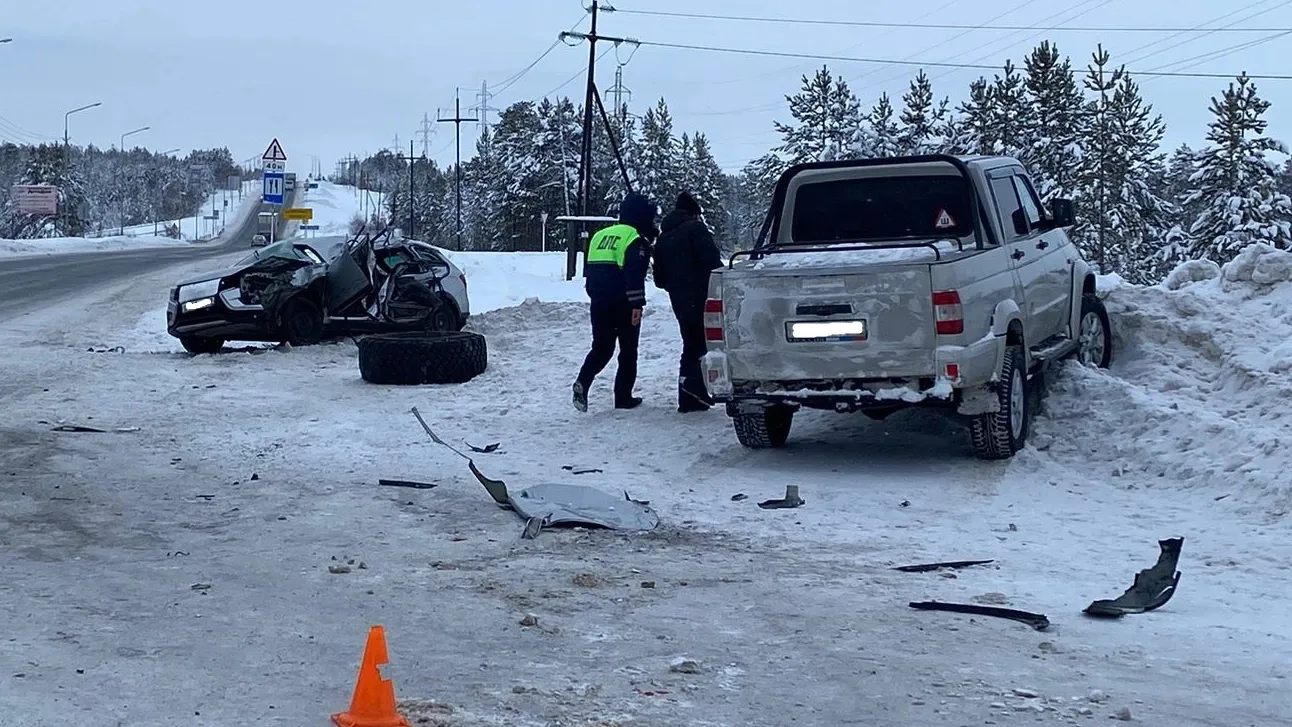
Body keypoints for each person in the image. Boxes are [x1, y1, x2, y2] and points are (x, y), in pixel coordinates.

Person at [572, 191, 657, 412]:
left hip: (599, 302)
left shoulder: (600, 235)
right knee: (628, 351)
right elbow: (634, 275)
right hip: (624, 304)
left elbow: (590, 271)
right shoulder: (635, 240)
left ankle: (583, 381)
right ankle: (623, 398)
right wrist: (637, 305)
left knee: (601, 348)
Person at [651, 191, 722, 413]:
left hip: (679, 301)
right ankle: (695, 390)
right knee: (702, 344)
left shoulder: (662, 238)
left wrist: (677, 285)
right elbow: (712, 262)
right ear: (693, 213)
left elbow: (659, 279)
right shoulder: (695, 229)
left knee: (690, 345)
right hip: (702, 296)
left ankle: (688, 397)